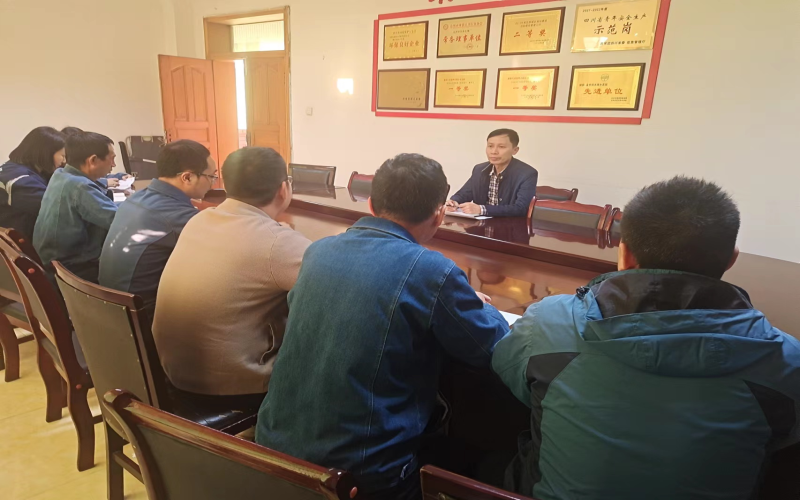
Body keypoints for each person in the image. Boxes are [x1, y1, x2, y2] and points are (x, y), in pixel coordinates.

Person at [491, 176, 800, 500]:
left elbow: (505, 370)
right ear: (732, 258)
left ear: (624, 254)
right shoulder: (787, 360)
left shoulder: (550, 320)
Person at [256, 153, 510, 500]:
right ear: (439, 214)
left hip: (273, 448)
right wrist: (477, 304)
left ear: (372, 205)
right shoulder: (431, 270)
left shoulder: (319, 251)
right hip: (362, 472)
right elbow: (491, 346)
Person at [152, 147, 308, 407]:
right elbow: (334, 286)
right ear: (283, 189)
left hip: (174, 372)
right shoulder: (277, 242)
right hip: (231, 389)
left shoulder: (200, 220)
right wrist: (284, 236)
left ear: (226, 186)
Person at [98, 140, 217, 322]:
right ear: (187, 177)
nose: (213, 183)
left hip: (111, 306)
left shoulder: (137, 197)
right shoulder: (178, 217)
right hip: (142, 317)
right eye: (211, 176)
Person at [33, 132, 118, 282]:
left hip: (52, 262)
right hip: (72, 270)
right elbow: (117, 221)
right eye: (112, 158)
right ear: (93, 160)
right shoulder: (79, 186)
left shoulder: (61, 174)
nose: (114, 165)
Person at [447, 129, 537, 217]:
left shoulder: (527, 174)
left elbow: (521, 208)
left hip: (510, 224)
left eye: (501, 147)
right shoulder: (479, 169)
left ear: (515, 150)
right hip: (481, 224)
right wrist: (454, 202)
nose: (494, 152)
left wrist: (481, 209)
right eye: (490, 146)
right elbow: (464, 194)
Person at [0, 127, 66, 241]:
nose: (64, 161)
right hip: (20, 242)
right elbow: (56, 210)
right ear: (46, 153)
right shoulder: (21, 181)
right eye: (63, 156)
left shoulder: (12, 167)